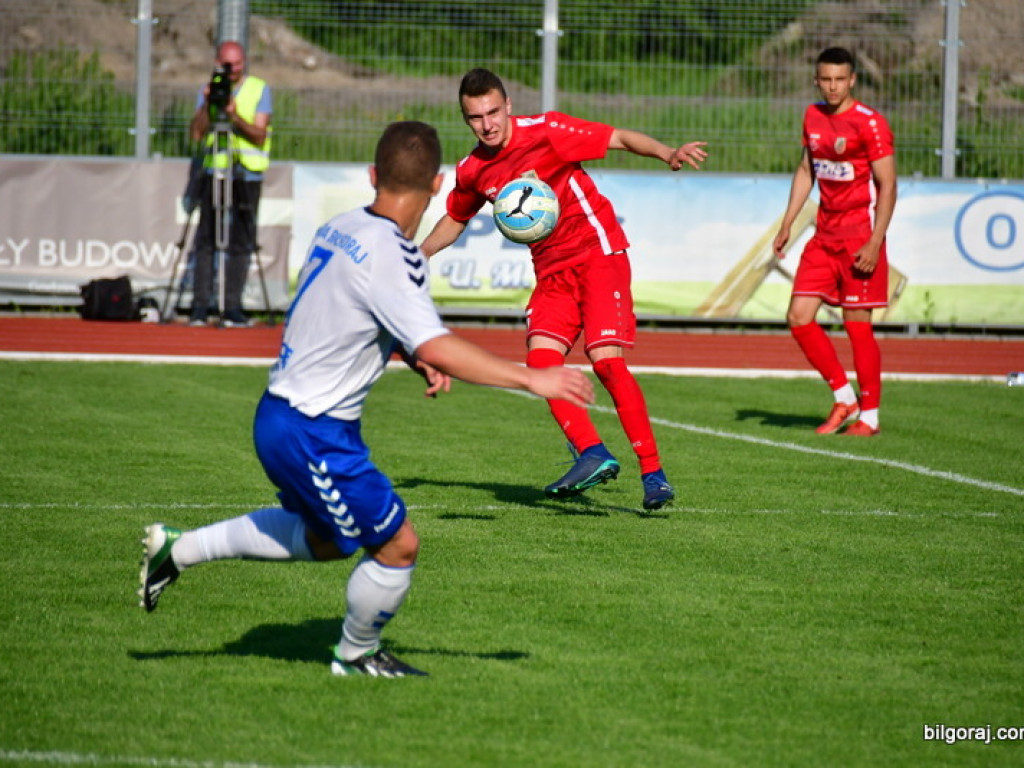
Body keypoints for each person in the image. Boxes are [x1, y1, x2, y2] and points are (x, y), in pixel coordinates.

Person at [138, 121, 594, 678]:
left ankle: (178, 551)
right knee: (398, 545)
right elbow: (439, 343)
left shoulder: (340, 227)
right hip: (311, 427)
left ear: (373, 175)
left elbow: (358, 312)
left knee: (329, 540)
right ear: (439, 183)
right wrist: (533, 378)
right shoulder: (395, 257)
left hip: (291, 413)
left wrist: (411, 352)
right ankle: (354, 656)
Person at [420, 68, 707, 511]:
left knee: (606, 362)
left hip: (598, 254)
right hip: (551, 272)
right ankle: (592, 453)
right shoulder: (474, 169)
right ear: (466, 119)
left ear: (508, 105)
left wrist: (667, 152)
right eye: (476, 117)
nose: (487, 124)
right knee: (540, 363)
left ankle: (654, 473)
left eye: (493, 112)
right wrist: (419, 255)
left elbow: (619, 138)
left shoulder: (548, 131)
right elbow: (456, 219)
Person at [772, 47, 897, 437]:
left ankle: (870, 418)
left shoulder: (870, 124)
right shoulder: (812, 116)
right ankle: (844, 397)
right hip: (823, 237)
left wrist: (876, 241)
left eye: (840, 79)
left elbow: (888, 184)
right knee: (798, 317)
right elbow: (807, 169)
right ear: (816, 79)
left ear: (853, 80)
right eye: (826, 79)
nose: (832, 86)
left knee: (857, 327)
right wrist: (788, 221)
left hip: (859, 238)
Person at [187, 40, 272, 328]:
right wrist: (208, 104)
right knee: (206, 238)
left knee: (241, 240)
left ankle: (232, 306)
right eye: (226, 64)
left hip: (245, 173)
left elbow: (260, 135)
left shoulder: (259, 88)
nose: (231, 70)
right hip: (215, 171)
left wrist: (234, 115)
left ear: (244, 62)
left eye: (235, 64)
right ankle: (200, 307)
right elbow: (197, 134)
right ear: (217, 62)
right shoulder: (209, 89)